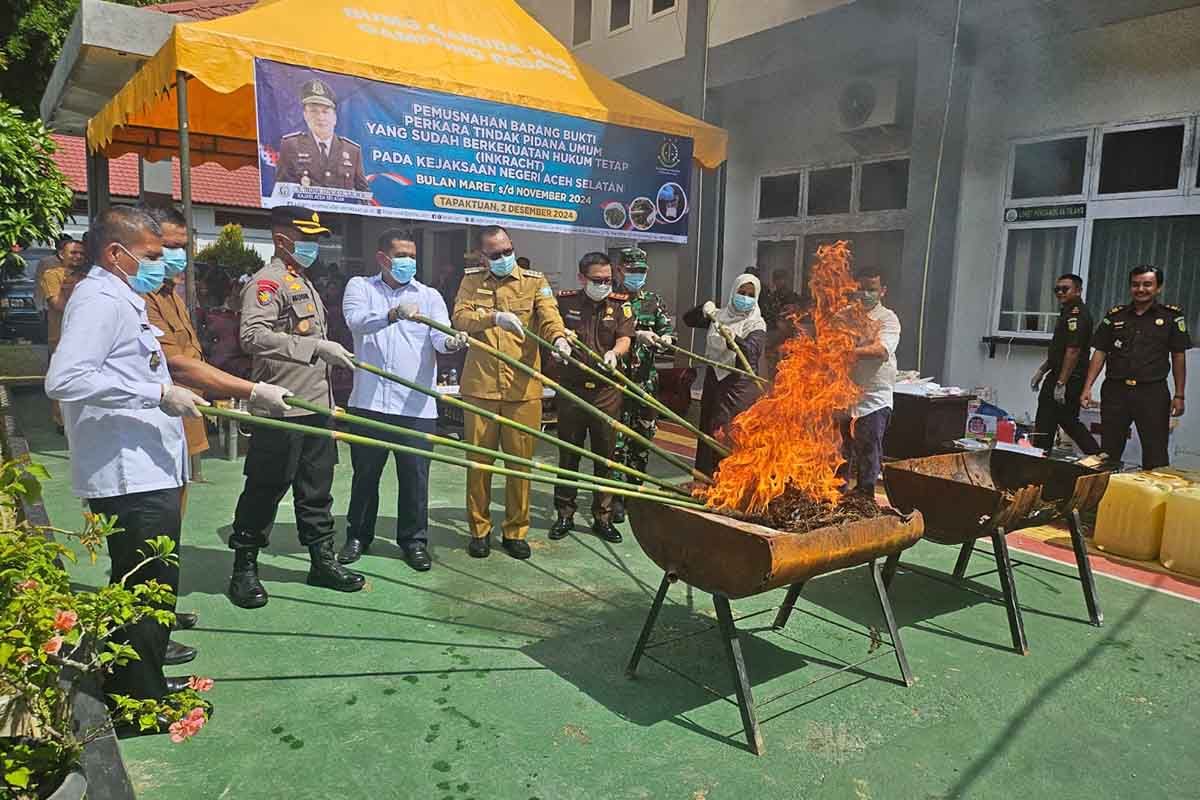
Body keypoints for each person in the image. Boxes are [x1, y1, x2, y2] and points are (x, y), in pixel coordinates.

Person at [44, 206, 206, 720]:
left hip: (144, 466)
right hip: (127, 472)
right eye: (153, 255)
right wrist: (155, 393)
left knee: (144, 584)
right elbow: (65, 379)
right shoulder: (98, 300)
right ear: (117, 253)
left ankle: (145, 680)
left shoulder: (120, 296)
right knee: (146, 583)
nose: (162, 264)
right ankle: (139, 704)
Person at [227, 206, 364, 608]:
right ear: (281, 239)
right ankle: (244, 568)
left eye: (317, 238)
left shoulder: (300, 279)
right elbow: (252, 336)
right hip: (281, 406)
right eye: (305, 238)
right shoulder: (267, 282)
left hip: (315, 404)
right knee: (265, 488)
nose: (313, 245)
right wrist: (314, 347)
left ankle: (322, 562)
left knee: (316, 489)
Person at [337, 229, 468, 570]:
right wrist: (392, 314)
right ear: (382, 258)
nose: (409, 261)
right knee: (365, 475)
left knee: (415, 478)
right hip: (368, 403)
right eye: (401, 255)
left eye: (412, 255)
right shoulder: (360, 288)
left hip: (416, 407)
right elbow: (356, 322)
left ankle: (413, 541)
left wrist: (453, 343)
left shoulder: (430, 296)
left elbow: (441, 338)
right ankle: (358, 536)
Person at [452, 226, 569, 559]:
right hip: (481, 387)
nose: (503, 258)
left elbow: (549, 316)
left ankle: (515, 531)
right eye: (495, 254)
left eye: (507, 251)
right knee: (479, 464)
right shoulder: (470, 281)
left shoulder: (534, 281)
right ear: (481, 257)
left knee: (519, 465)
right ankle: (480, 530)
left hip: (523, 389)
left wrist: (558, 339)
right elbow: (459, 318)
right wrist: (493, 318)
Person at [549, 252, 634, 543]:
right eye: (598, 280)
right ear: (582, 278)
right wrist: (558, 342)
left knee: (605, 457)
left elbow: (625, 338)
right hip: (572, 389)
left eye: (608, 280)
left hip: (606, 392)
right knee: (569, 453)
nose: (604, 285)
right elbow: (553, 329)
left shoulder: (620, 304)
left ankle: (603, 516)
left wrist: (615, 353)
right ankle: (564, 514)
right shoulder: (566, 302)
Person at [1081, 265, 1190, 469]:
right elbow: (1100, 352)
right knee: (1108, 451)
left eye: (1147, 284)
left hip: (1152, 393)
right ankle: (1108, 495)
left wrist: (1179, 394)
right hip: (1116, 391)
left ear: (1158, 288)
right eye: (1135, 284)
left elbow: (1178, 356)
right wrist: (1087, 387)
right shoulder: (1115, 315)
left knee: (1155, 451)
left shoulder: (1171, 317)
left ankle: (1152, 499)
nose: (1140, 289)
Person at [611, 247, 674, 523]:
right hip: (616, 383)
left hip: (646, 384)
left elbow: (668, 333)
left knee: (642, 439)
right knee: (617, 442)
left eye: (641, 271)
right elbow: (606, 334)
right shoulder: (609, 299)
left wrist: (666, 341)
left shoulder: (653, 301)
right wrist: (636, 334)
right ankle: (615, 498)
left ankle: (635, 493)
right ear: (620, 270)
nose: (637, 276)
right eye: (631, 270)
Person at [683, 274, 767, 477]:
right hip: (714, 380)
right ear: (733, 291)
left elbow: (752, 352)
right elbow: (688, 320)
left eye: (749, 294)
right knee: (708, 427)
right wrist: (703, 308)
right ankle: (704, 477)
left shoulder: (755, 324)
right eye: (741, 292)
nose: (744, 297)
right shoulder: (719, 316)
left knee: (730, 432)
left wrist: (734, 337)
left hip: (739, 385)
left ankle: (729, 480)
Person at [840, 268, 901, 497]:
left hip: (874, 398)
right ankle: (833, 495)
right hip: (844, 395)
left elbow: (882, 350)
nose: (865, 294)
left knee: (868, 451)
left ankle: (865, 498)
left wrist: (849, 352)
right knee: (839, 451)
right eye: (861, 289)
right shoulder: (844, 316)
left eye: (871, 289)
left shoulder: (888, 319)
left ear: (882, 291)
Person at [1029, 274, 1100, 455]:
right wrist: (1042, 370)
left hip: (1067, 378)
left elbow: (1073, 350)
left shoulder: (1077, 315)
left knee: (1054, 418)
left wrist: (1061, 383)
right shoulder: (1067, 311)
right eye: (1057, 289)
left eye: (1065, 289)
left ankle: (1039, 458)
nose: (1060, 292)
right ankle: (1097, 455)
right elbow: (1059, 350)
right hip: (1060, 374)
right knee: (1061, 419)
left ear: (1078, 290)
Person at [274, 79, 368, 192]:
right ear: (305, 115)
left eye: (325, 111)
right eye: (314, 111)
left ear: (334, 117)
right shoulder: (291, 145)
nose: (320, 117)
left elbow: (363, 193)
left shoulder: (352, 151)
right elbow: (282, 190)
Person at [39, 238, 87, 433]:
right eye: (73, 253)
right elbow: (57, 305)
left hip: (85, 336)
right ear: (61, 255)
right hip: (60, 336)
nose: (78, 257)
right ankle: (61, 421)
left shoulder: (89, 276)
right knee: (61, 378)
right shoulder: (51, 275)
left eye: (81, 253)